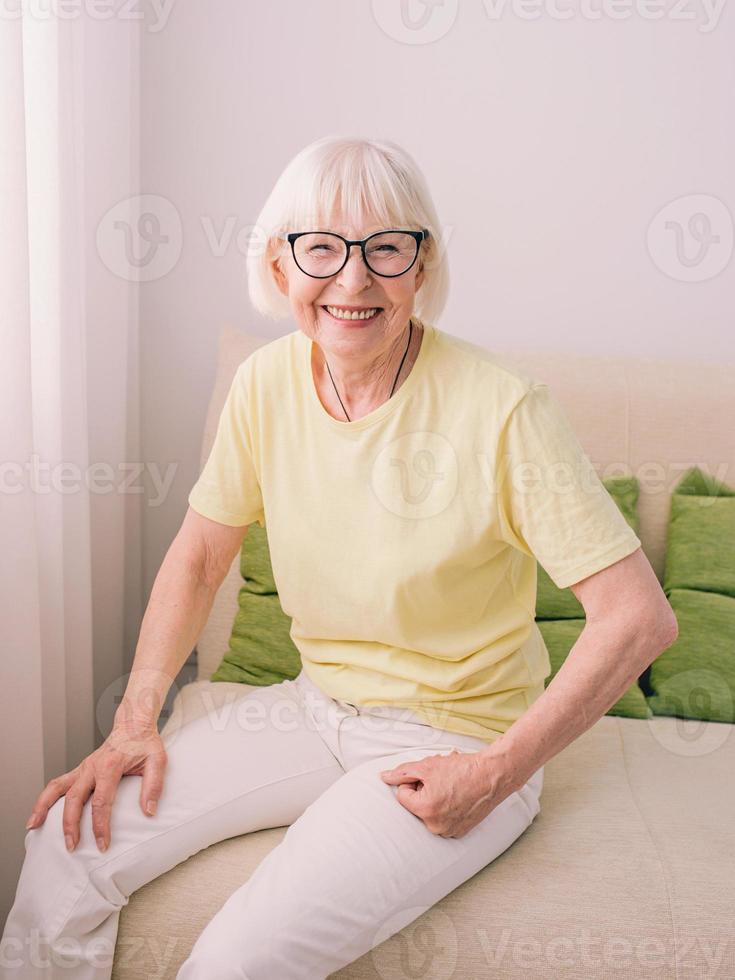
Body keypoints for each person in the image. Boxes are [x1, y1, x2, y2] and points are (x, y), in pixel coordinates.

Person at [0, 136, 678, 980]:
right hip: (311, 707)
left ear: (421, 264)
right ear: (279, 266)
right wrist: (135, 721)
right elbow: (201, 557)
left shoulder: (503, 407)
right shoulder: (264, 382)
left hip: (455, 737)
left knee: (236, 960)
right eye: (320, 246)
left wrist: (496, 772)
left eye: (385, 247)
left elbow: (638, 617)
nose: (352, 280)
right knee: (62, 846)